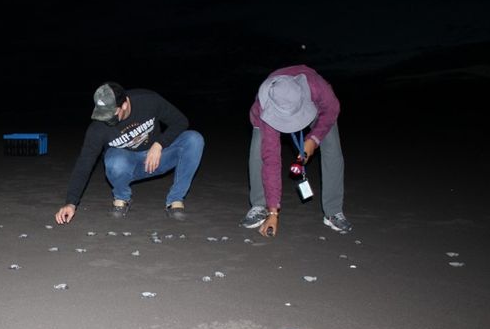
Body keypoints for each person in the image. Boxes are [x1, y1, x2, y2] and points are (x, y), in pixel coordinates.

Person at [55, 82, 204, 224]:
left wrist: (159, 145)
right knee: (114, 158)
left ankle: (175, 200)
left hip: (157, 159)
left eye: (111, 114)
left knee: (194, 139)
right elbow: (84, 164)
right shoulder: (97, 129)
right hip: (127, 166)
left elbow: (181, 121)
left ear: (125, 104)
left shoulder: (148, 101)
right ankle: (121, 198)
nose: (106, 119)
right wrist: (71, 203)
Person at [240, 65, 351, 237]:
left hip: (312, 107)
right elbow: (272, 160)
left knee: (332, 146)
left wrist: (313, 140)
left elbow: (332, 112)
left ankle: (333, 211)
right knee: (259, 149)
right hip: (270, 112)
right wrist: (273, 212)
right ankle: (259, 206)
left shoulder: (319, 89)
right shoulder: (263, 105)